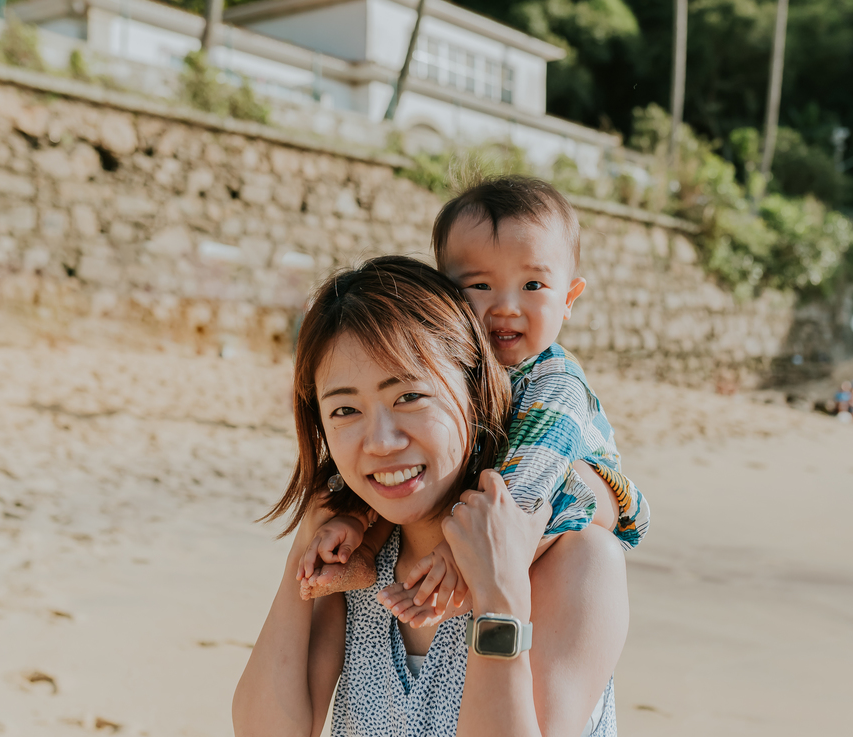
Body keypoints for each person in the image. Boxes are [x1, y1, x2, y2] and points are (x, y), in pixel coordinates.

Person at [233, 256, 627, 737]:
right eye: (345, 410)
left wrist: (499, 595)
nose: (381, 442)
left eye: (409, 397)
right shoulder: (357, 565)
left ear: (476, 389)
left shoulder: (580, 561)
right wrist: (305, 546)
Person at [299, 176, 649, 626]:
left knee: (556, 494)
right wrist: (354, 517)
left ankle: (471, 589)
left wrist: (458, 555)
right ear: (444, 295)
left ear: (569, 298)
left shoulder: (556, 382)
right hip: (485, 488)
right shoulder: (453, 372)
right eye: (480, 285)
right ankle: (365, 548)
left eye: (533, 285)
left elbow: (527, 481)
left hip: (560, 494)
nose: (506, 306)